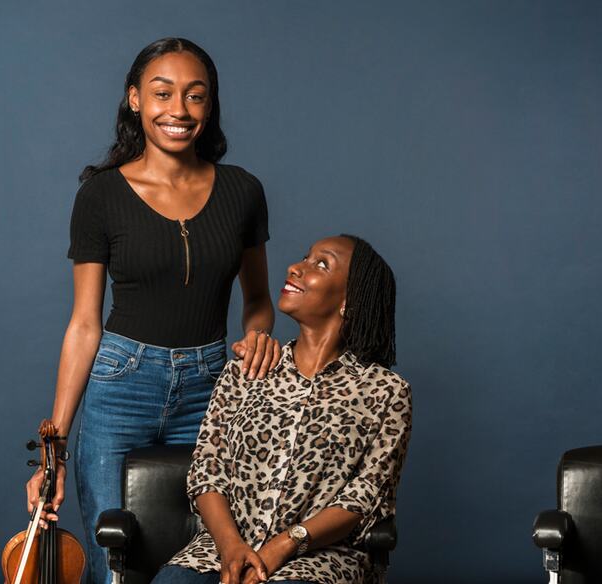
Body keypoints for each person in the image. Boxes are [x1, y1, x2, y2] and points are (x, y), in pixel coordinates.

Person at [25, 38, 281, 584]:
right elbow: (84, 323)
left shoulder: (243, 191)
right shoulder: (101, 195)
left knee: (208, 561)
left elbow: (259, 302)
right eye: (163, 93)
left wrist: (259, 335)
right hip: (121, 386)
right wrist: (55, 449)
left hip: (212, 389)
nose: (179, 110)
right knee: (111, 562)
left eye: (195, 95)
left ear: (209, 105)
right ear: (135, 99)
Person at [153, 235, 412, 584]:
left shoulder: (386, 392)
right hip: (218, 550)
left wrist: (287, 543)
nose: (295, 267)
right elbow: (207, 471)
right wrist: (231, 547)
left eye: (321, 264)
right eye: (305, 257)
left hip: (319, 560)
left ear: (349, 301)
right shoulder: (246, 371)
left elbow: (364, 496)